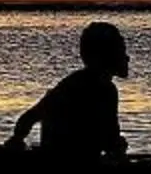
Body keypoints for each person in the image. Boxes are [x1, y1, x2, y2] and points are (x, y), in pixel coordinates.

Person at [8, 22, 131, 161]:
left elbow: (28, 118)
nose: (127, 58)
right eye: (121, 51)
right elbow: (109, 142)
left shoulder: (71, 84)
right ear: (103, 57)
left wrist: (17, 139)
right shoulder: (104, 91)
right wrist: (118, 146)